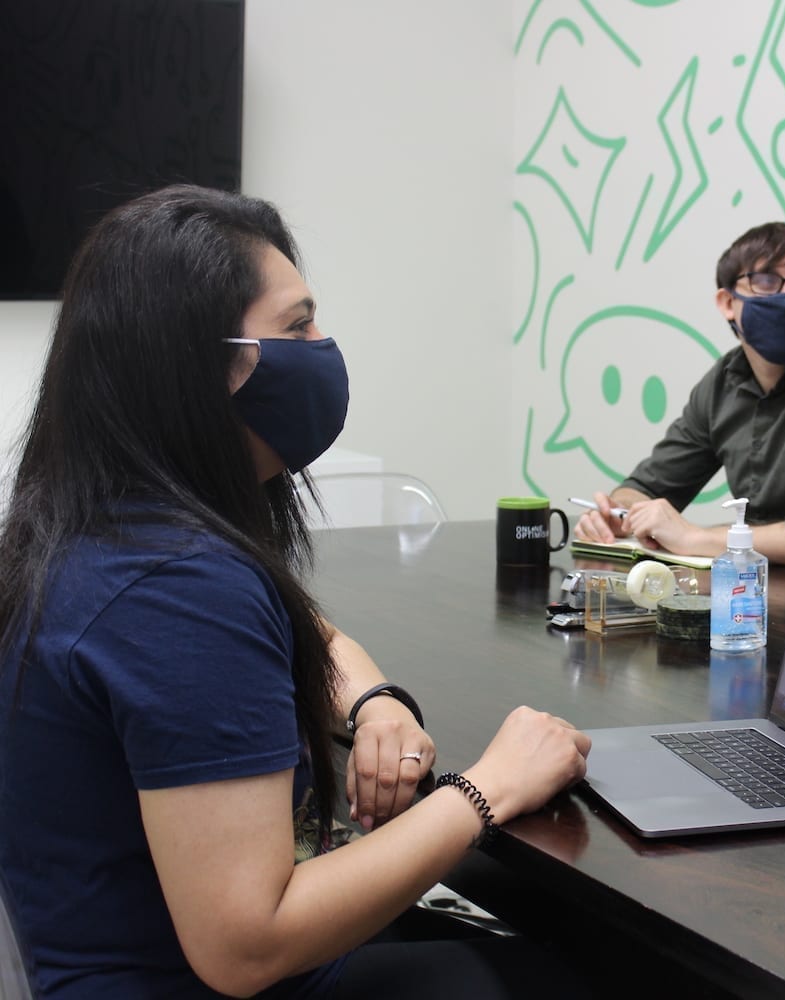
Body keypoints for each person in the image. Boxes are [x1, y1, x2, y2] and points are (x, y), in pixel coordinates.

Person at [0, 185, 593, 999]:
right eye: (298, 325)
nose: (323, 345)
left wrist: (375, 700)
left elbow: (302, 626)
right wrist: (489, 787)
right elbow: (248, 944)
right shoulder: (174, 589)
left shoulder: (108, 527)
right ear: (208, 365)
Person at [574, 221, 785, 564]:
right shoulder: (724, 381)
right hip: (758, 592)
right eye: (766, 280)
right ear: (727, 302)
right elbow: (648, 486)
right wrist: (617, 513)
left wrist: (696, 537)